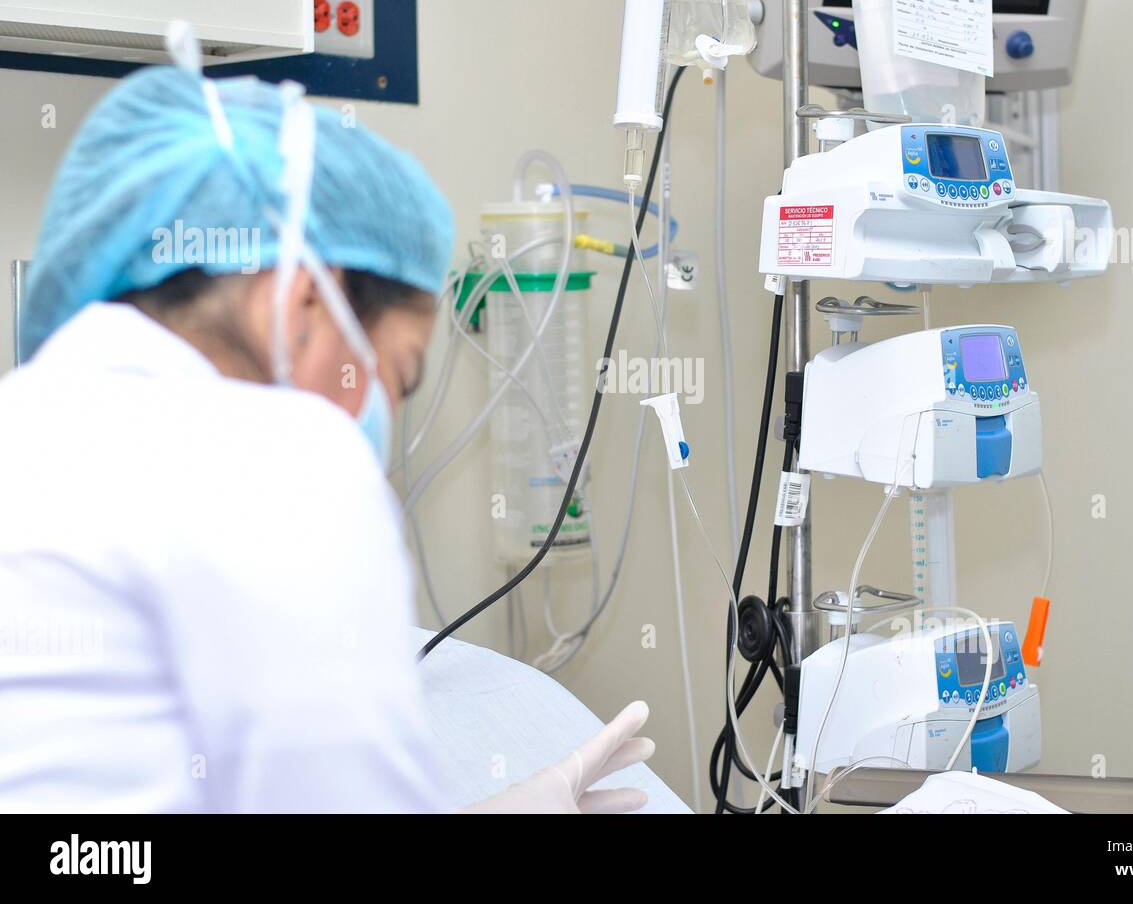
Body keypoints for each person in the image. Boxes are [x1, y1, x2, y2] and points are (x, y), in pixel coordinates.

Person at [0, 44, 652, 813]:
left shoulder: (32, 416)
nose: (379, 419)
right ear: (306, 304)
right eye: (397, 374)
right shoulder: (282, 462)